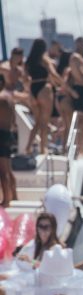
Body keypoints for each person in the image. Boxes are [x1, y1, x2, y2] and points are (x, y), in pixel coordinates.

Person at [24, 38, 64, 155]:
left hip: (33, 90)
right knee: (44, 121)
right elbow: (54, 74)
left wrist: (30, 91)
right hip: (44, 89)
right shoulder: (44, 60)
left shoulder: (28, 61)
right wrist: (64, 84)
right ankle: (43, 148)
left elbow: (25, 79)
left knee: (37, 122)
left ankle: (28, 147)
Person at [0, 75, 17, 206]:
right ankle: (15, 195)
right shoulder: (10, 98)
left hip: (1, 134)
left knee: (2, 170)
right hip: (8, 133)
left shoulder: (1, 98)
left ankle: (6, 200)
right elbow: (13, 120)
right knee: (8, 169)